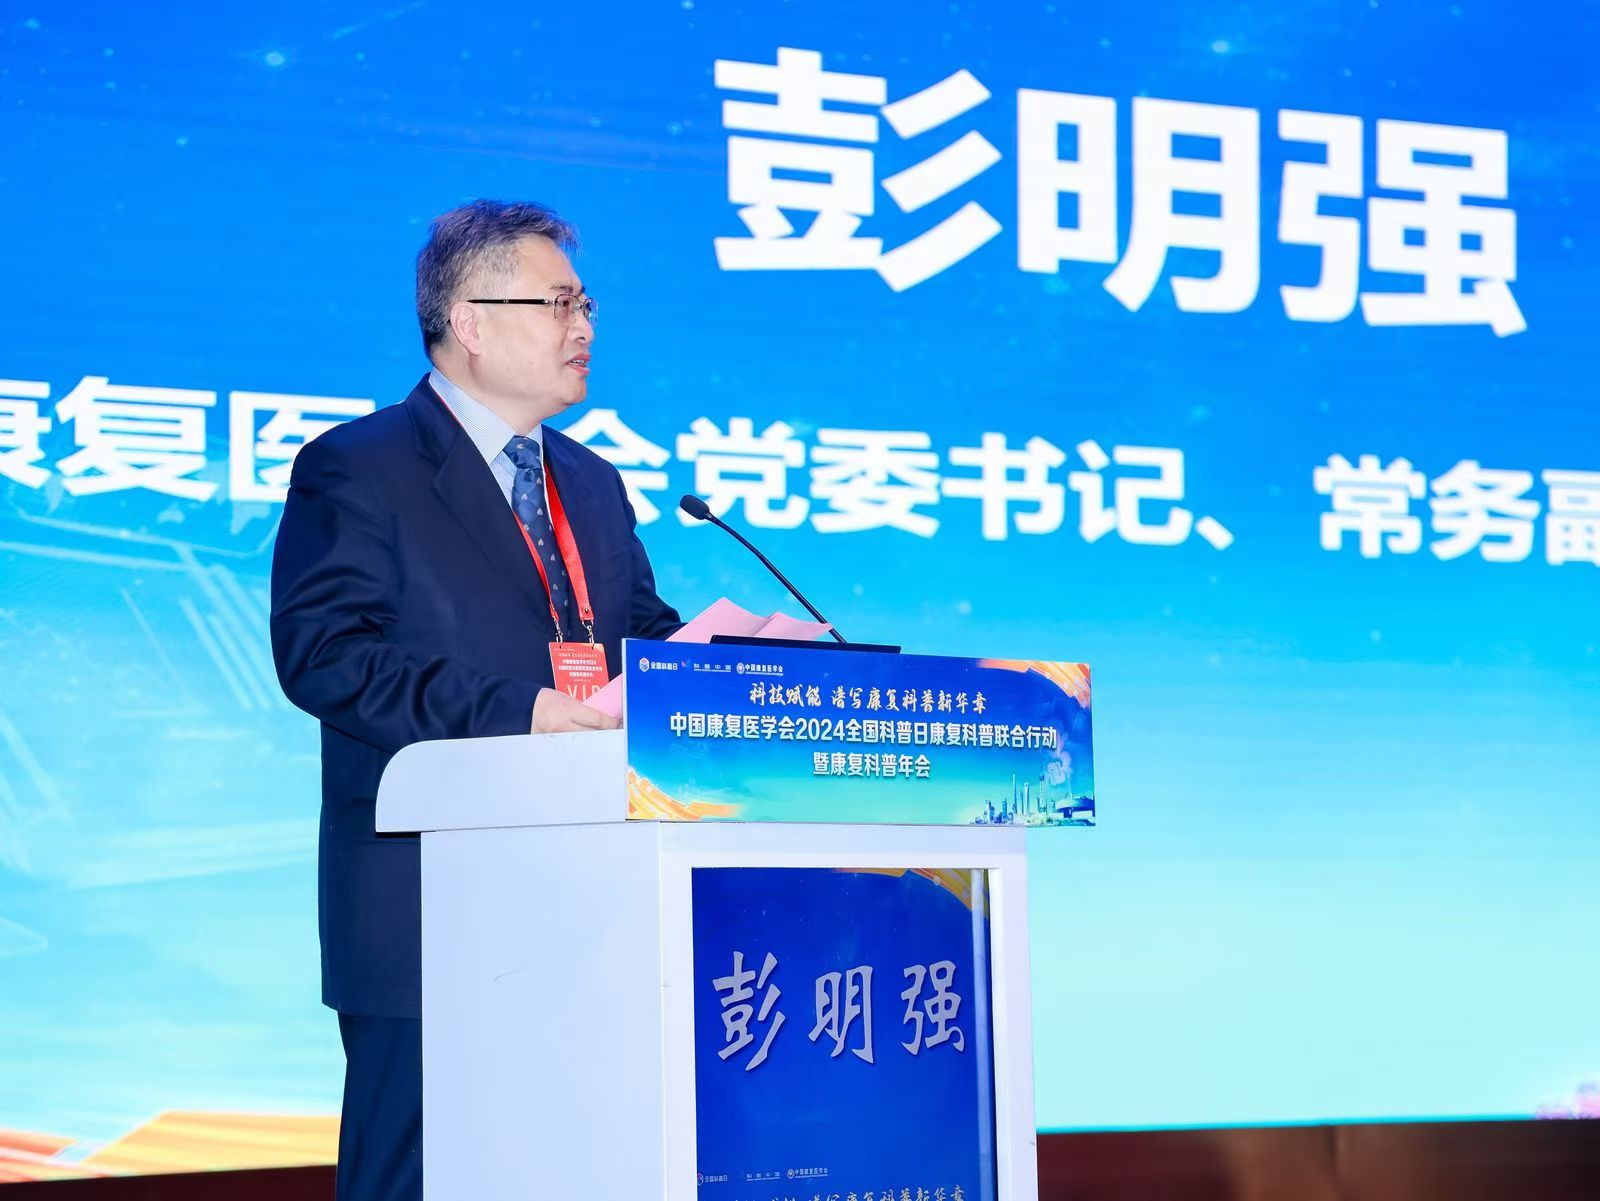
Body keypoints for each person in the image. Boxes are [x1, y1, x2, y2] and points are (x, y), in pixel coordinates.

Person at [270, 199, 682, 1201]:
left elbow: (639, 636)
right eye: (559, 303)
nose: (584, 327)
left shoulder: (591, 482)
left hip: (591, 903)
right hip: (427, 906)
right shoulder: (359, 466)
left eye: (586, 304)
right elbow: (325, 654)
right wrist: (520, 712)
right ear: (470, 321)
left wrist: (744, 670)